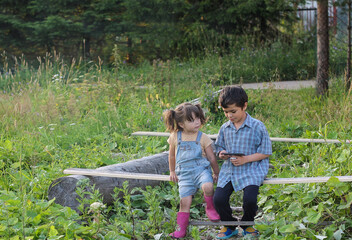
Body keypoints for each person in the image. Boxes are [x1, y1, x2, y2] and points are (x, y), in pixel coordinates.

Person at [213, 86, 272, 239]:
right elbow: (219, 147)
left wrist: (245, 159)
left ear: (244, 106)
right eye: (226, 112)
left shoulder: (258, 126)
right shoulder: (224, 128)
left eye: (233, 111)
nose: (229, 115)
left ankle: (247, 224)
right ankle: (230, 225)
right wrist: (222, 154)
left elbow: (265, 151)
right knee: (218, 199)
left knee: (250, 200)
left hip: (252, 169)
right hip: (230, 169)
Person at [163, 102, 221, 239]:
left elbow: (212, 158)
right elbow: (171, 155)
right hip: (184, 174)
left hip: (201, 170)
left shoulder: (203, 137)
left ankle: (210, 208)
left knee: (207, 186)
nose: (197, 122)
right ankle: (180, 230)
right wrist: (172, 171)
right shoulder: (175, 137)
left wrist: (216, 172)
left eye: (198, 119)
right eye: (192, 120)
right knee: (184, 203)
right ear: (181, 124)